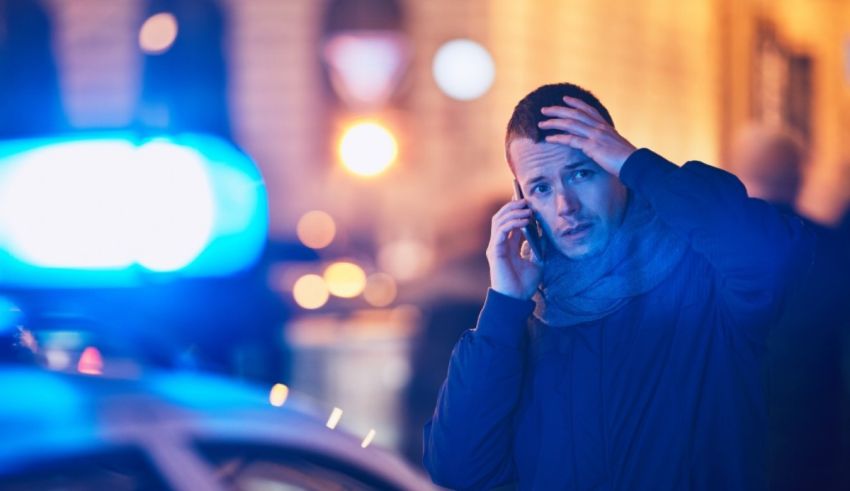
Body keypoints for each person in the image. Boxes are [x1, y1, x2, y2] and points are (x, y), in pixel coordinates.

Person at [423, 83, 814, 490]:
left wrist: (638, 164)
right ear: (522, 202)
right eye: (541, 187)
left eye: (581, 173)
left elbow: (772, 255)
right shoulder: (521, 328)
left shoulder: (703, 282)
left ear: (616, 173)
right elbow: (458, 470)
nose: (565, 206)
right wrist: (503, 306)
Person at [730, 126, 850, 491]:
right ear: (799, 176)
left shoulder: (700, 256)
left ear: (733, 175)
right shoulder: (834, 253)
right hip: (818, 450)